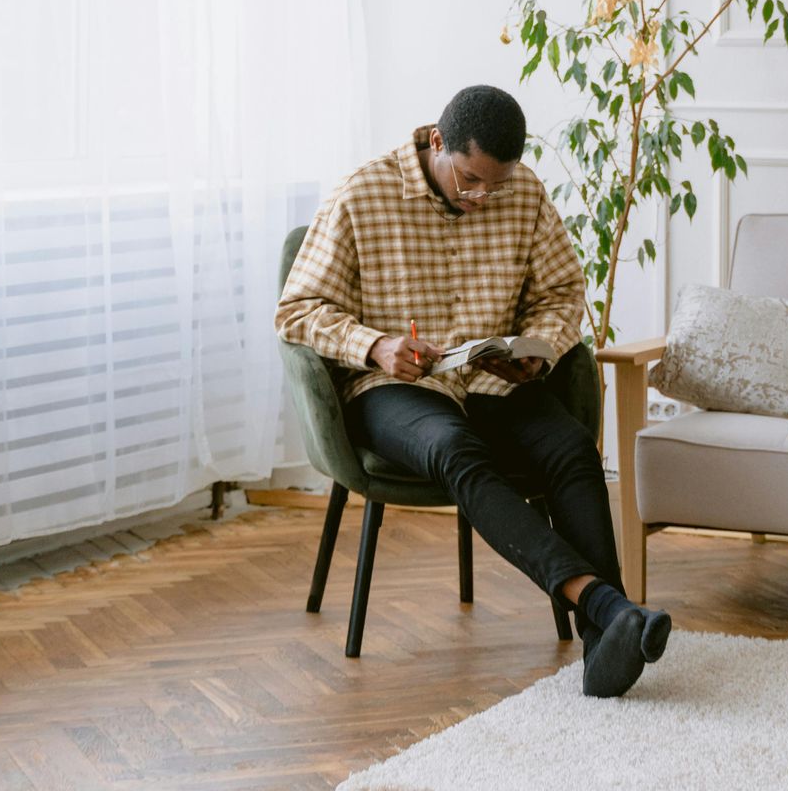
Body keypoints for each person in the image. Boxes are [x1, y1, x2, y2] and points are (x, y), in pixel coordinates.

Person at [276, 84, 671, 697]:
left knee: (570, 448)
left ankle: (604, 649)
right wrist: (375, 346)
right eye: (470, 181)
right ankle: (603, 603)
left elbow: (563, 295)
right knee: (455, 448)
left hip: (492, 378)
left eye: (496, 183)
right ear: (438, 142)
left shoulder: (525, 192)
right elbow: (296, 310)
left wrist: (535, 354)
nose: (484, 197)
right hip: (394, 387)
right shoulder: (363, 194)